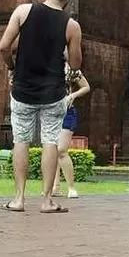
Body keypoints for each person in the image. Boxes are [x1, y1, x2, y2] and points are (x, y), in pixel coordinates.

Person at [0, 0, 83, 214]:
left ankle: (18, 199)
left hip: (23, 90)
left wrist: (12, 67)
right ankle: (46, 201)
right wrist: (66, 50)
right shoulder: (71, 25)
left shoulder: (24, 11)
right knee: (50, 142)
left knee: (21, 141)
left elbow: (4, 46)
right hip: (53, 93)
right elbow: (76, 64)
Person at [50, 54, 91, 199]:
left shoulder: (70, 69)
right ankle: (54, 187)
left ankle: (71, 187)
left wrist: (73, 95)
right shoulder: (44, 65)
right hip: (49, 111)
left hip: (67, 111)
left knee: (61, 150)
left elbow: (86, 87)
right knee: (51, 149)